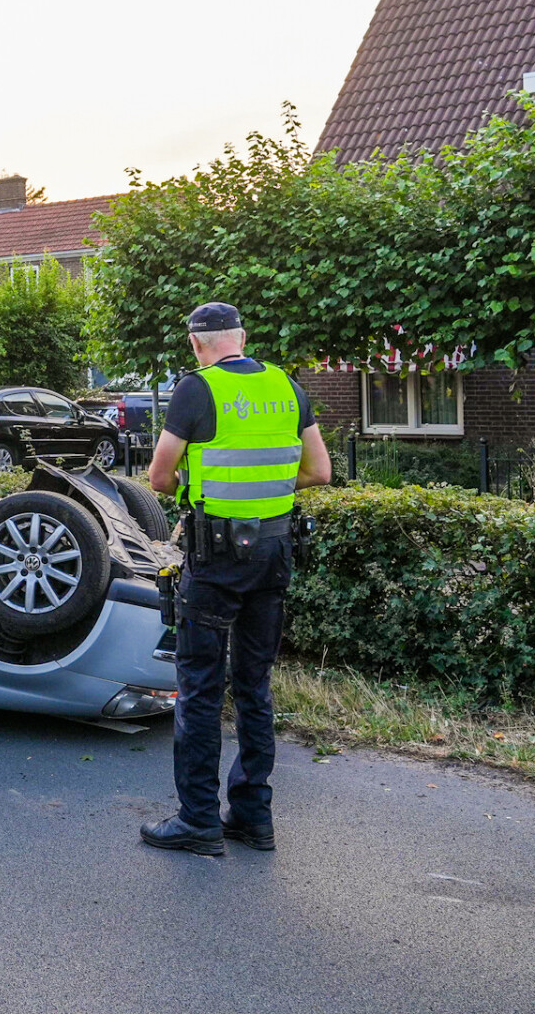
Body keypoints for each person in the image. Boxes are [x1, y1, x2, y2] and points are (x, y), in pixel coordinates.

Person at [140, 302, 331, 856]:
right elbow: (319, 471)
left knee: (199, 688)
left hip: (216, 557)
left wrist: (201, 492)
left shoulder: (195, 390)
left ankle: (198, 821)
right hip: (273, 552)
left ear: (197, 344)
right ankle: (253, 818)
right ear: (242, 337)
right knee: (254, 686)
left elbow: (159, 475)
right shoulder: (286, 386)